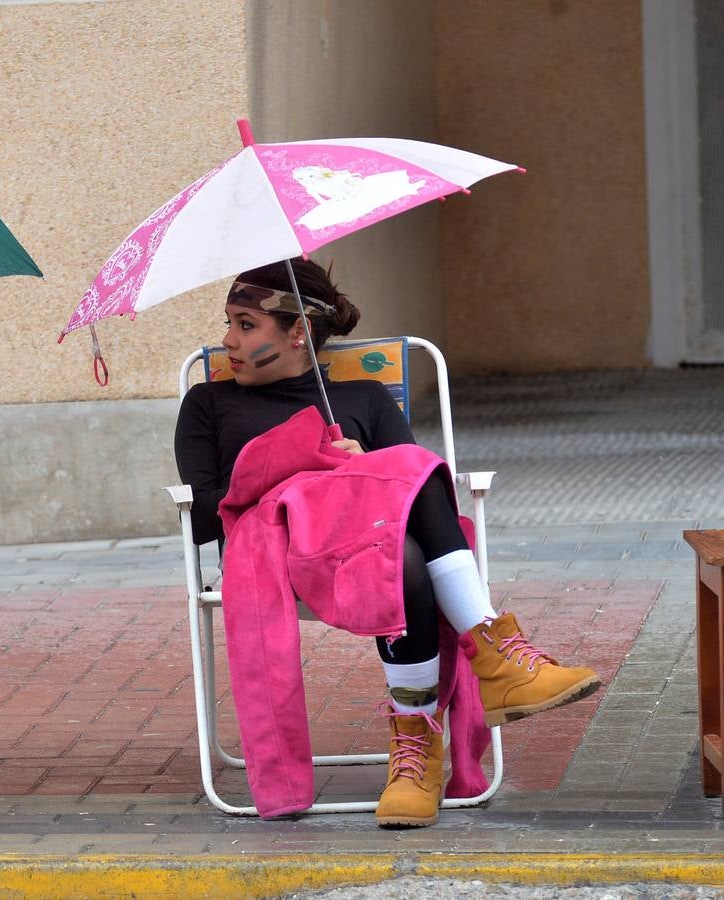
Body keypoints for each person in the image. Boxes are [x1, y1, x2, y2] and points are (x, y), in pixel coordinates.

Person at [174, 257, 602, 828]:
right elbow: (205, 517)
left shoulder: (366, 399)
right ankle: (494, 651)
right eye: (229, 323)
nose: (228, 340)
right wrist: (304, 466)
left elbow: (415, 490)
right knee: (401, 485)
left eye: (246, 325)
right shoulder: (208, 404)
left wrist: (364, 467)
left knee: (406, 523)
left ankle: (416, 746)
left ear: (298, 332)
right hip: (276, 556)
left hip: (370, 556)